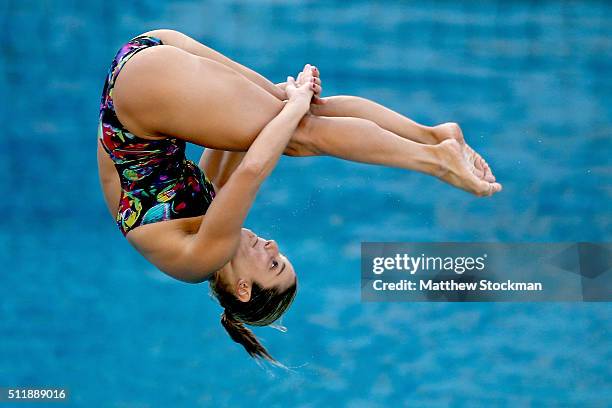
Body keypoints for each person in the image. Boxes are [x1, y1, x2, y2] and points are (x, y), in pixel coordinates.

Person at [97, 29, 501, 363]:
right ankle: (432, 136)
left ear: (243, 289)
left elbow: (255, 168)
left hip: (146, 81)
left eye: (273, 263)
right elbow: (235, 140)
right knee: (298, 120)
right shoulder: (198, 219)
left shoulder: (202, 258)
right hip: (145, 61)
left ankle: (437, 160)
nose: (272, 245)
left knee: (299, 131)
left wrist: (292, 105)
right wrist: (290, 98)